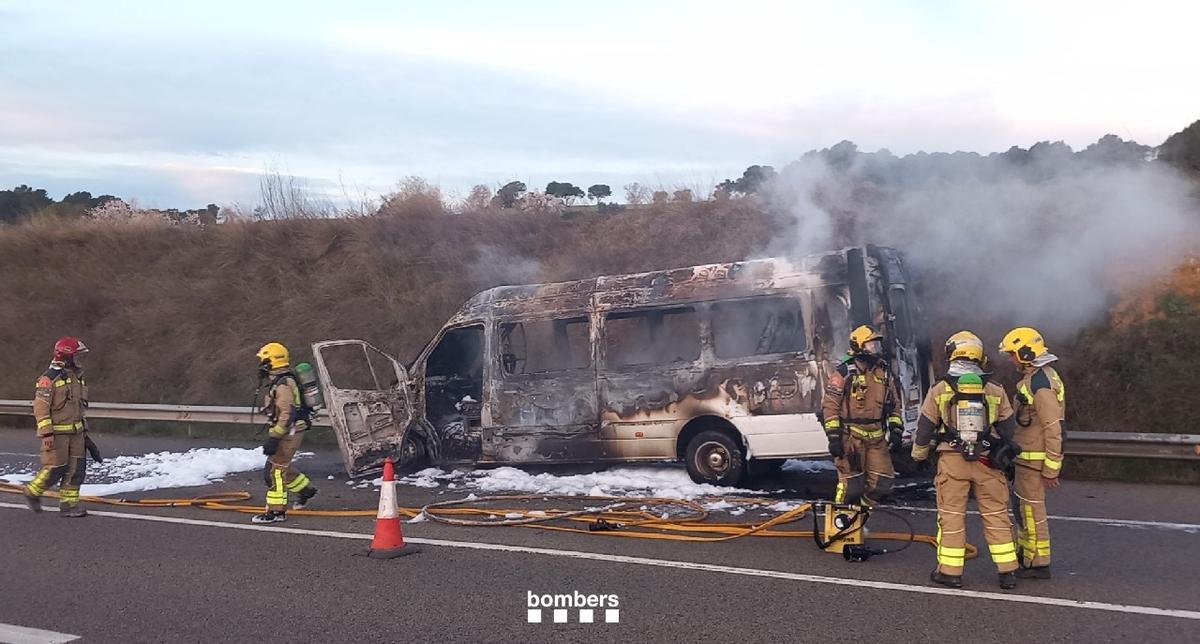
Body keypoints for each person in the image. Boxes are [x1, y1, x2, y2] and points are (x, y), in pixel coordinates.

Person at [912, 331, 1021, 589]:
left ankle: (950, 573)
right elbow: (1008, 429)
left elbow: (924, 428)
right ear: (979, 356)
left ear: (952, 354)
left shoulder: (940, 389)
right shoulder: (995, 389)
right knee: (996, 514)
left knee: (951, 516)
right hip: (987, 461)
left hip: (952, 461)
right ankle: (1007, 572)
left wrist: (919, 455)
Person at [999, 327, 1065, 579]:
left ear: (1026, 353)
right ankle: (1026, 554)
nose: (1011, 359)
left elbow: (1053, 427)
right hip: (1025, 458)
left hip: (1033, 461)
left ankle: (1038, 563)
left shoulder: (1041, 385)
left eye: (1012, 354)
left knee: (1032, 512)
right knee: (1023, 510)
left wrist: (1051, 469)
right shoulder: (1036, 378)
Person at [821, 325, 904, 506]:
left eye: (876, 344)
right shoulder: (844, 372)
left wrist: (896, 429)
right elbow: (830, 405)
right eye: (871, 344)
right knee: (851, 487)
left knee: (882, 484)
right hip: (851, 438)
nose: (875, 348)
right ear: (858, 345)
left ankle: (862, 517)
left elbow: (893, 404)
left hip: (877, 438)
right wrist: (834, 437)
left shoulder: (883, 371)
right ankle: (841, 520)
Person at [24, 337, 92, 517]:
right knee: (55, 468)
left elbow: (79, 407)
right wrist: (47, 433)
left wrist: (85, 433)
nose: (80, 361)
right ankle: (32, 492)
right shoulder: (49, 379)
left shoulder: (77, 378)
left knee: (77, 470)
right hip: (57, 434)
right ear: (66, 357)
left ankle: (69, 506)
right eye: (77, 356)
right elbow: (40, 407)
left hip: (77, 433)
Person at [252, 342, 318, 524]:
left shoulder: (282, 384)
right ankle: (305, 490)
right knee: (281, 466)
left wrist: (274, 438)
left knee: (275, 471)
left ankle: (276, 511)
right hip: (291, 429)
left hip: (290, 431)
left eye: (263, 361)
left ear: (271, 361)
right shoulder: (281, 380)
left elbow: (287, 414)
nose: (261, 366)